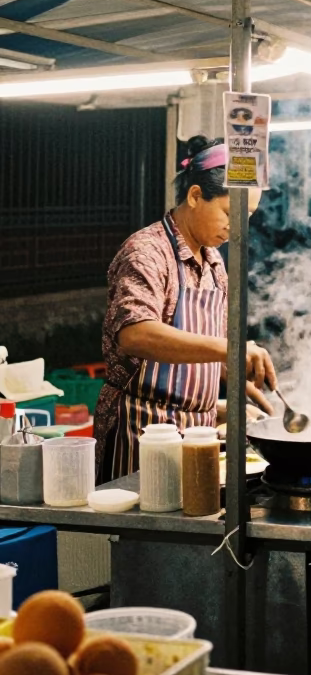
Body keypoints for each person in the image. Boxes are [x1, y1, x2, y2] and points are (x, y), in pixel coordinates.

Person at [96, 136, 276, 481]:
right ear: (195, 196)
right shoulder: (146, 252)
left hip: (198, 434)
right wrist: (232, 350)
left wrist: (239, 380)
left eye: (247, 216)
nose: (238, 227)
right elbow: (135, 334)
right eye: (230, 213)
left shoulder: (212, 263)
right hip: (142, 434)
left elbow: (206, 349)